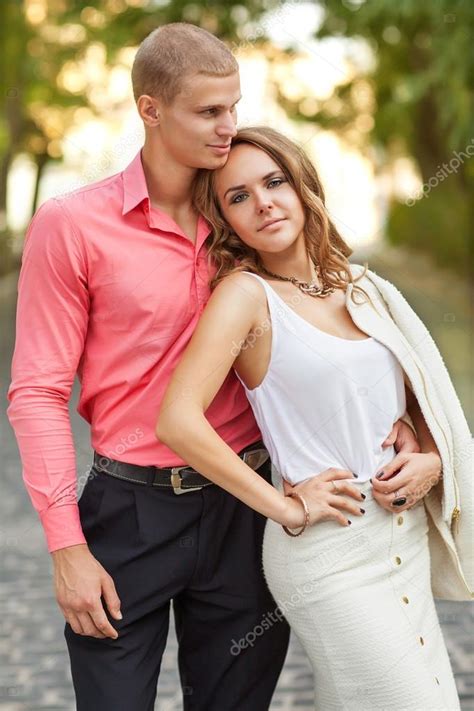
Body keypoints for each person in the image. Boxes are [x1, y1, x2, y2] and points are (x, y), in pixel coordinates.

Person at [156, 126, 473, 710]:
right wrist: (284, 507)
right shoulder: (246, 296)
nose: (264, 203)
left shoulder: (360, 288)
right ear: (226, 219)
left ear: (301, 185)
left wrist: (428, 456)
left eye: (274, 182)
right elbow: (177, 420)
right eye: (239, 197)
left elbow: (416, 398)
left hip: (400, 540)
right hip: (327, 554)